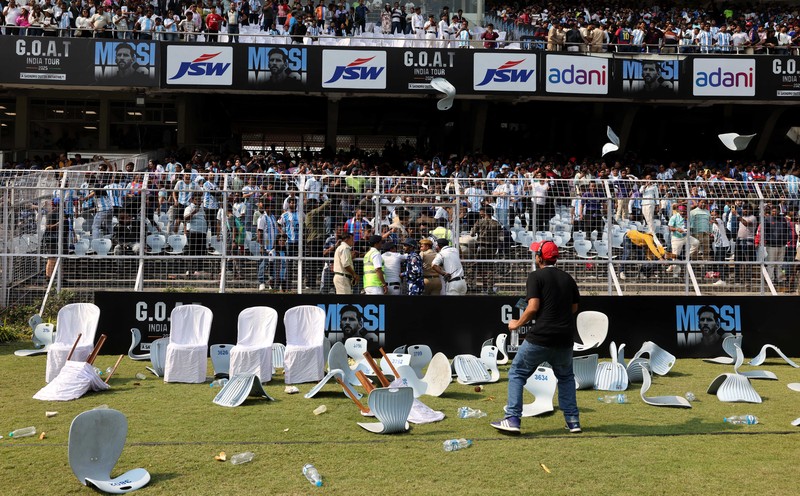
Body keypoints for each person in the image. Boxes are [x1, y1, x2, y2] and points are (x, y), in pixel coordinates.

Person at [491, 240, 581, 434]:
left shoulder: (535, 276)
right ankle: (573, 421)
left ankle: (513, 418)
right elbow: (574, 308)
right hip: (565, 338)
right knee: (565, 378)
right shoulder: (568, 278)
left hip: (541, 336)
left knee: (516, 373)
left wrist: (516, 324)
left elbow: (532, 307)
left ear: (539, 257)